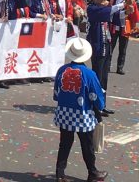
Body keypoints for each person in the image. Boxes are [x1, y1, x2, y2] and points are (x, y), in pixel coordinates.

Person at [53, 37, 107, 182]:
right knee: (87, 145)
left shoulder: (62, 70)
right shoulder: (89, 74)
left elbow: (56, 95)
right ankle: (92, 172)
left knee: (64, 143)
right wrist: (100, 107)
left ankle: (60, 173)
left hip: (64, 113)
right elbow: (96, 97)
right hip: (83, 115)